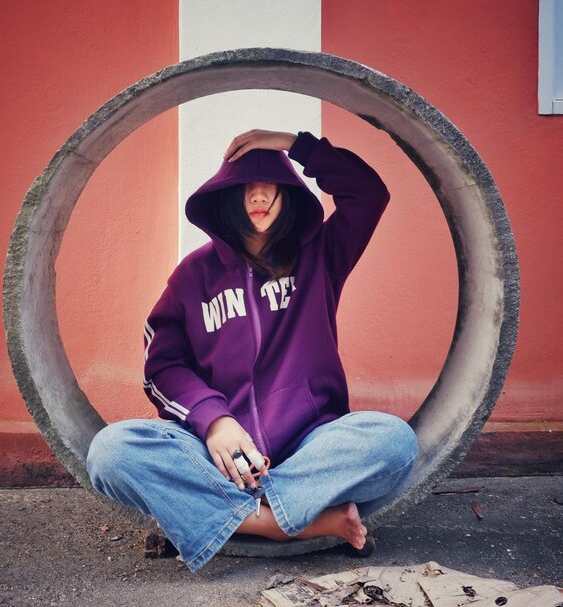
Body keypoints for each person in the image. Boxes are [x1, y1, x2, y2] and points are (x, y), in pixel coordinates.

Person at [87, 129, 418, 573]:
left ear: (290, 195)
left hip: (309, 446)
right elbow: (162, 364)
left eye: (272, 185)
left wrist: (292, 144)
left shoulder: (320, 255)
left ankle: (225, 515)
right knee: (110, 451)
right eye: (245, 186)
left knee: (393, 440)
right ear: (225, 196)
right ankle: (292, 523)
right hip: (220, 453)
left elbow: (368, 192)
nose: (259, 195)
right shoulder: (193, 276)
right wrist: (214, 421)